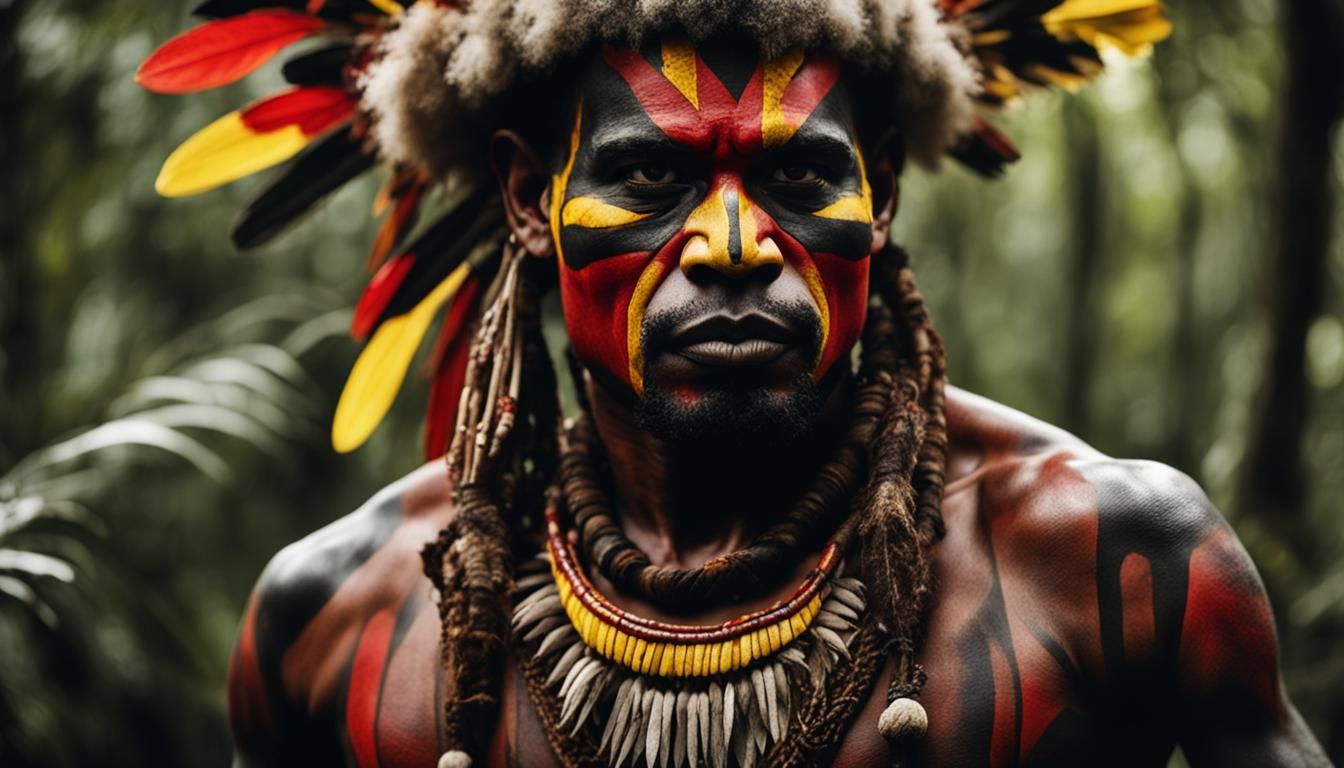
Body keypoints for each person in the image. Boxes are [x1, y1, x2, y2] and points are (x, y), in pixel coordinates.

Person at [137, 1, 1332, 766]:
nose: (732, 243)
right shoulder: (330, 619)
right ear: (525, 202)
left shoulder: (1116, 565)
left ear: (883, 196)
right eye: (650, 172)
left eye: (802, 175)